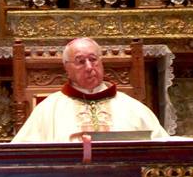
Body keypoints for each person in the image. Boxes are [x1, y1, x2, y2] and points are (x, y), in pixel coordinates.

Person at [12, 37, 168, 144]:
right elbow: (22, 152)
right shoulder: (48, 109)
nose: (89, 67)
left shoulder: (132, 107)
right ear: (67, 68)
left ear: (101, 62)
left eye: (93, 59)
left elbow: (161, 146)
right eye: (80, 61)